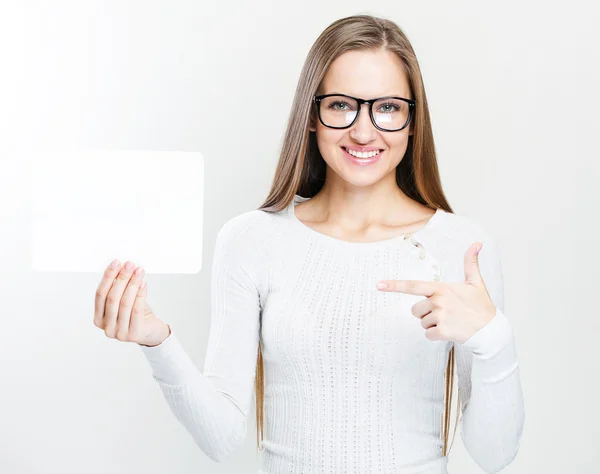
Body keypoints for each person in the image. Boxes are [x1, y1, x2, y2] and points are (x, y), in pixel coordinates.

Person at [93, 14, 524, 474]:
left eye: (388, 108)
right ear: (312, 115)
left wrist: (493, 339)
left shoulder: (463, 247)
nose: (363, 131)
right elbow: (221, 436)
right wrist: (157, 343)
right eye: (341, 105)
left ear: (413, 121)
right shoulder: (252, 240)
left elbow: (494, 456)